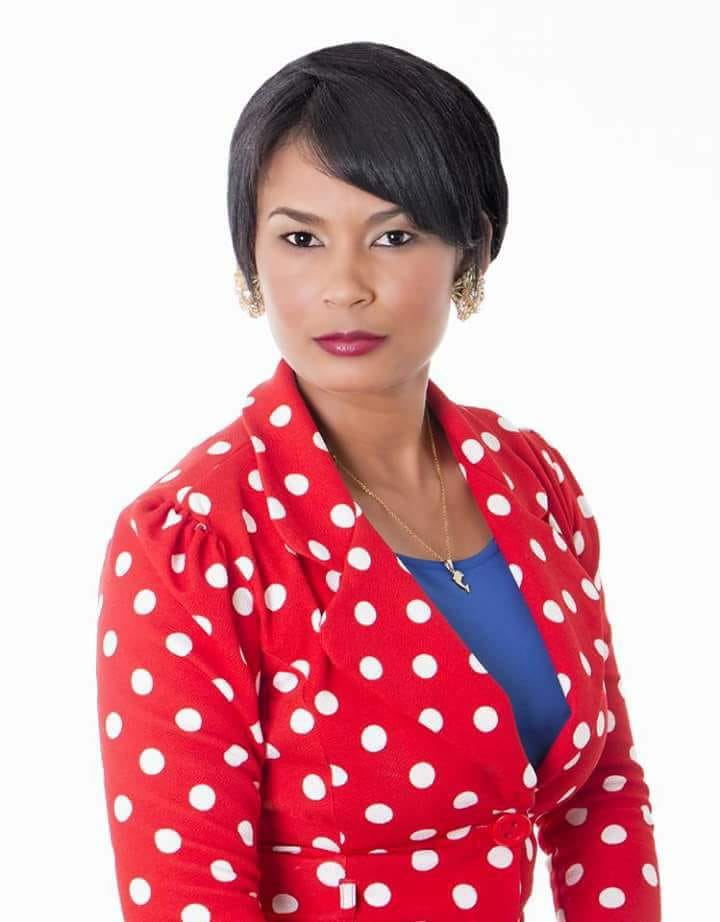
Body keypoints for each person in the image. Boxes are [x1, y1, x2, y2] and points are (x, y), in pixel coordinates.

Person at [95, 40, 662, 921]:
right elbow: (187, 900)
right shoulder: (192, 542)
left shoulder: (532, 478)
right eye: (300, 239)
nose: (345, 287)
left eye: (394, 236)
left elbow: (602, 793)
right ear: (251, 260)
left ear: (470, 251)